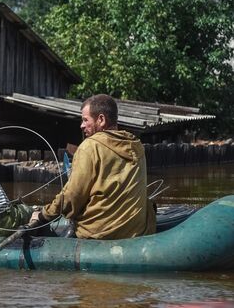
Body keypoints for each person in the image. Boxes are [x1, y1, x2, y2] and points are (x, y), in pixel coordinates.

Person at [30, 94, 156, 239]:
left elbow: (72, 197)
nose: (81, 125)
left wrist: (43, 215)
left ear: (101, 119)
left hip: (101, 233)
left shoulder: (90, 147)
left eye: (85, 120)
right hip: (138, 231)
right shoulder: (136, 145)